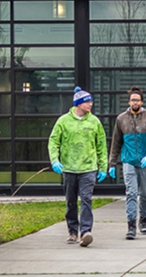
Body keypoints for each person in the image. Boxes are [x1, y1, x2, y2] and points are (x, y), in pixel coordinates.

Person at [48, 86, 108, 247]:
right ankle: (72, 231)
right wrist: (55, 160)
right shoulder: (63, 121)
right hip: (69, 168)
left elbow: (101, 145)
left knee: (86, 199)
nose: (91, 105)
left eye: (91, 102)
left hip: (88, 168)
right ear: (79, 103)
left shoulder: (94, 121)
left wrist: (103, 167)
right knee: (71, 201)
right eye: (88, 102)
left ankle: (86, 232)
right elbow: (53, 142)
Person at [108, 86, 146, 240]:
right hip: (128, 161)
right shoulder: (121, 119)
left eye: (137, 100)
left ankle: (143, 220)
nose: (135, 102)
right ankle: (131, 225)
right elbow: (116, 142)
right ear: (129, 102)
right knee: (131, 193)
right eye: (132, 100)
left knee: (144, 193)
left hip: (145, 162)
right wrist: (112, 163)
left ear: (142, 102)